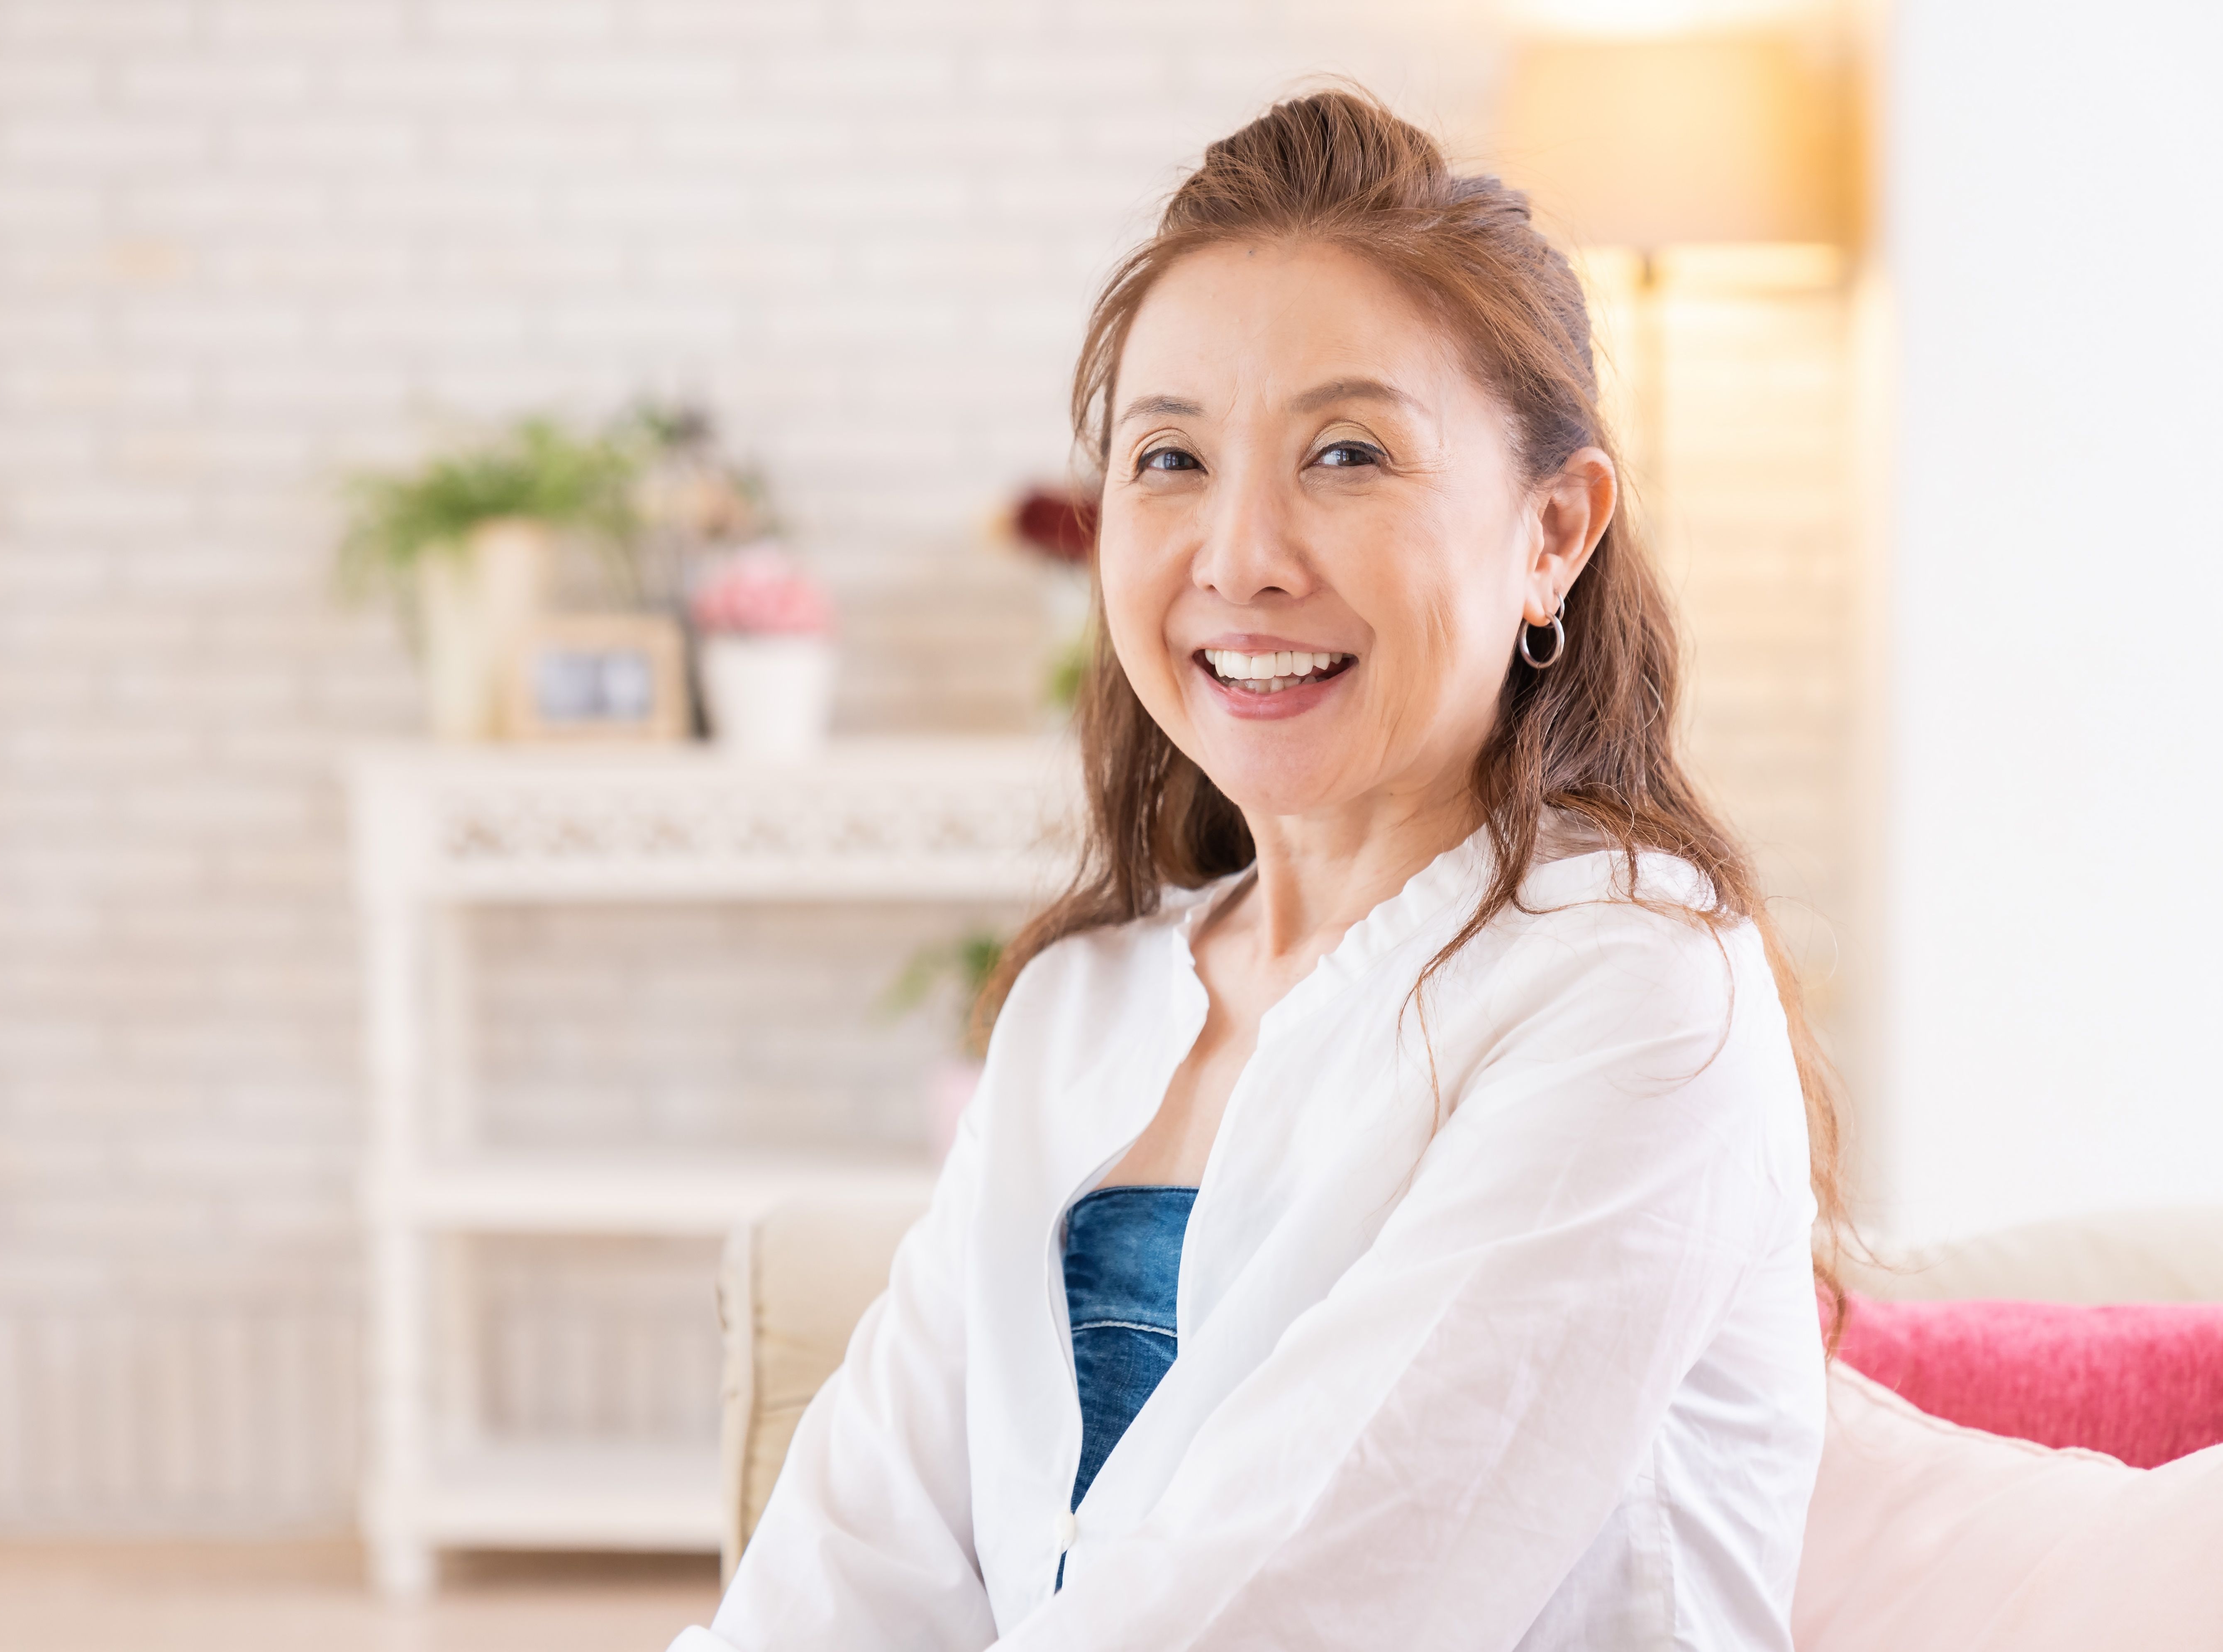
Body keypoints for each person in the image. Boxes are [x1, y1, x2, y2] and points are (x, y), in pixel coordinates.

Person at [673, 86, 1845, 1652]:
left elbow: (1301, 1604)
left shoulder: (1638, 986)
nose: (1240, 556)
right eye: (1170, 461)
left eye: (1348, 453)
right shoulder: (1079, 1010)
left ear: (1553, 529)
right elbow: (846, 1576)